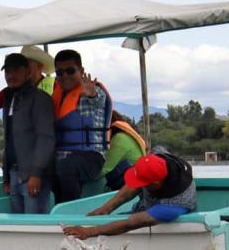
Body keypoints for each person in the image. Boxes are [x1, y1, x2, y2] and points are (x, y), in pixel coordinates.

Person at [63, 150, 196, 239]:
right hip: (142, 207)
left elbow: (129, 224)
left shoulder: (173, 206)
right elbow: (130, 188)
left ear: (155, 183)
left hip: (146, 216)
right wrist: (105, 209)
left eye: (142, 183)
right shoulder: (160, 161)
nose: (138, 185)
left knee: (126, 220)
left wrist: (89, 232)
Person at [52, 49, 112, 203]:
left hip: (91, 157)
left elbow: (97, 101)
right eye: (60, 72)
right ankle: (53, 211)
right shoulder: (57, 94)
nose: (65, 76)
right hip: (61, 156)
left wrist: (92, 94)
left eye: (70, 71)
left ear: (81, 71)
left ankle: (69, 209)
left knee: (67, 167)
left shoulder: (92, 91)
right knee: (42, 168)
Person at [0, 53, 55, 213]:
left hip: (33, 176)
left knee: (35, 226)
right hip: (14, 174)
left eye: (16, 70)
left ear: (28, 72)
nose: (11, 75)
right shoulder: (10, 99)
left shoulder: (40, 99)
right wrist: (6, 177)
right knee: (18, 226)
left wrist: (36, 174)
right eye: (7, 71)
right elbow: (9, 139)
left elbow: (46, 138)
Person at [100, 111, 147, 190]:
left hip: (132, 185)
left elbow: (105, 169)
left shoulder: (119, 138)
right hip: (135, 181)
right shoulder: (125, 135)